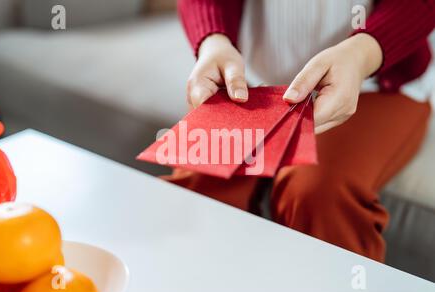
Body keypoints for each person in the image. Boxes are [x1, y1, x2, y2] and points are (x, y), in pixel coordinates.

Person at [163, 0, 435, 262]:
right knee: (196, 192)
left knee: (319, 195)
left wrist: (361, 54)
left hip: (378, 84)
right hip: (251, 83)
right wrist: (214, 41)